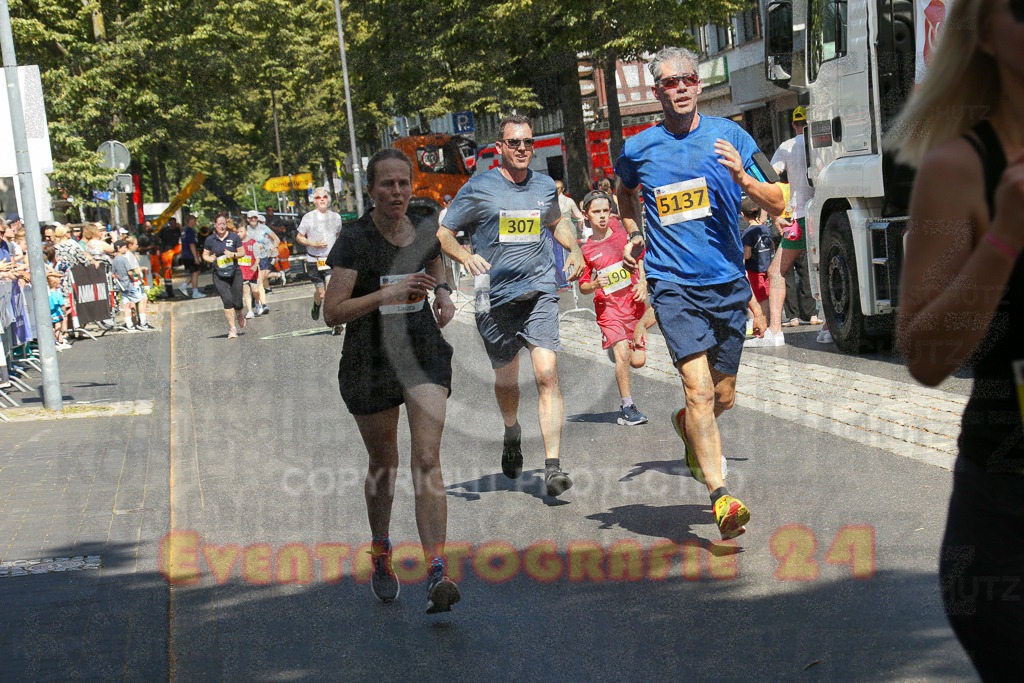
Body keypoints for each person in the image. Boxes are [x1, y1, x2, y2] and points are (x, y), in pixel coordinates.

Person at [888, 0, 1024, 676]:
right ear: (983, 34)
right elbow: (925, 356)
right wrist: (1003, 236)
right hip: (1008, 513)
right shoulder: (960, 168)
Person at [614, 46, 782, 539]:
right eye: (671, 82)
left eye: (689, 79)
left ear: (699, 85)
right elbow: (625, 191)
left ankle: (686, 423)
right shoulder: (639, 147)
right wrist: (634, 231)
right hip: (672, 285)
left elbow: (778, 199)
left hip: (727, 282)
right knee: (699, 388)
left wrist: (743, 178)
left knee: (722, 395)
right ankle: (720, 496)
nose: (682, 87)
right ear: (657, 91)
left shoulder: (731, 136)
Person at [322, 149, 460, 613]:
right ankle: (382, 551)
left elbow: (434, 260)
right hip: (370, 357)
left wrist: (440, 291)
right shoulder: (355, 240)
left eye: (404, 183)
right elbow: (333, 312)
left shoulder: (422, 224)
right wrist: (388, 292)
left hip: (420, 349)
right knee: (385, 461)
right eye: (387, 185)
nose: (397, 192)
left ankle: (437, 570)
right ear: (372, 190)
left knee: (427, 457)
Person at [438, 113, 585, 497]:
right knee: (507, 383)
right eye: (514, 143)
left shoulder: (543, 186)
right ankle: (511, 431)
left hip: (539, 291)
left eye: (528, 143)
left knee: (546, 376)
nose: (523, 149)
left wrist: (575, 249)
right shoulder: (478, 187)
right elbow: (443, 234)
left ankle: (552, 468)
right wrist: (464, 256)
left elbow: (557, 223)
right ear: (499, 148)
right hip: (493, 296)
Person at [577, 190, 656, 425]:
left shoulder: (624, 235)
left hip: (632, 306)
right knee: (622, 351)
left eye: (605, 211)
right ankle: (628, 407)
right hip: (608, 309)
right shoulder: (586, 250)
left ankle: (619, 347)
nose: (602, 216)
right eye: (596, 212)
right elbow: (582, 287)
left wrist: (642, 282)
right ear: (586, 215)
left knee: (637, 361)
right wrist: (593, 284)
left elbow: (640, 258)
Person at [752, 106, 825, 348]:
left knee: (776, 272)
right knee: (822, 269)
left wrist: (775, 215)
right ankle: (827, 325)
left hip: (801, 217)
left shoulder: (788, 146)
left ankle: (775, 331)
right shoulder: (825, 139)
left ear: (795, 125)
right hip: (824, 213)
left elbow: (770, 179)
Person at [297, 188, 343, 324]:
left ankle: (335, 322)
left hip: (330, 260)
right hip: (314, 260)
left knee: (331, 292)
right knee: (322, 294)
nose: (322, 199)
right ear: (314, 201)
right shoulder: (308, 217)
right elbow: (299, 237)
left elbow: (339, 236)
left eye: (324, 197)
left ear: (328, 199)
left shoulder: (336, 217)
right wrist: (313, 243)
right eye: (318, 197)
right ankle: (316, 304)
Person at [202, 213, 246, 339]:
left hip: (234, 273)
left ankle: (239, 313)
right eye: (219, 224)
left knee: (237, 301)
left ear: (226, 224)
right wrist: (208, 258)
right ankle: (232, 329)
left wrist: (233, 255)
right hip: (219, 274)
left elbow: (242, 252)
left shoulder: (234, 237)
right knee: (227, 300)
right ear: (215, 225)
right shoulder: (210, 240)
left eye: (223, 223)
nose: (221, 226)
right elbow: (205, 255)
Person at [739, 197, 772, 329]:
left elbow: (747, 254)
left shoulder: (747, 233)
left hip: (754, 270)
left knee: (757, 297)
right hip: (767, 266)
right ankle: (768, 320)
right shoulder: (766, 228)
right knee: (766, 295)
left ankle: (760, 323)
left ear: (743, 215)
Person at [111, 240, 153, 331]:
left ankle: (129, 324)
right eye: (124, 247)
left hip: (121, 285)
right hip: (129, 283)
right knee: (142, 299)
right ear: (119, 248)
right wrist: (134, 280)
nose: (126, 249)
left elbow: (113, 273)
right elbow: (130, 272)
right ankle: (143, 322)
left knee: (126, 303)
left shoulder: (114, 260)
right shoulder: (124, 259)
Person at [244, 211, 277, 314]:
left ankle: (263, 305)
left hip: (262, 257)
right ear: (247, 219)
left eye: (255, 217)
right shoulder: (246, 229)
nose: (253, 220)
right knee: (251, 285)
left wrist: (271, 248)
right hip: (249, 259)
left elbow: (276, 239)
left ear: (257, 218)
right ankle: (257, 301)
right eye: (251, 218)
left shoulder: (263, 228)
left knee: (259, 283)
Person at [236, 222, 260, 319]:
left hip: (252, 271)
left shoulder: (253, 243)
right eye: (237, 232)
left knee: (255, 290)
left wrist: (255, 265)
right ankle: (250, 311)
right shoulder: (236, 244)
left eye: (241, 231)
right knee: (246, 291)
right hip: (242, 271)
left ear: (246, 231)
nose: (239, 233)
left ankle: (258, 303)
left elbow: (258, 257)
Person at [178, 215, 206, 298]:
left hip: (185, 254)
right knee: (195, 271)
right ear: (190, 220)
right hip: (189, 255)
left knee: (196, 271)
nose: (195, 222)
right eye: (194, 220)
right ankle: (194, 291)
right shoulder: (190, 231)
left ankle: (184, 286)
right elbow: (191, 244)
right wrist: (195, 257)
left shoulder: (185, 231)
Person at [158, 217, 182, 298]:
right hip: (166, 252)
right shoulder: (164, 230)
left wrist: (180, 227)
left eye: (174, 223)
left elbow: (183, 235)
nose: (173, 225)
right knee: (167, 272)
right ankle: (169, 291)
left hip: (174, 250)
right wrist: (158, 249)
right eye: (171, 223)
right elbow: (157, 238)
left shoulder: (177, 230)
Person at [47, 272, 71, 350]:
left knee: (54, 328)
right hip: (57, 313)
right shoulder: (57, 294)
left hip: (50, 313)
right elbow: (62, 305)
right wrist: (64, 312)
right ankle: (59, 341)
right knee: (58, 327)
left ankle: (57, 340)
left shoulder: (47, 293)